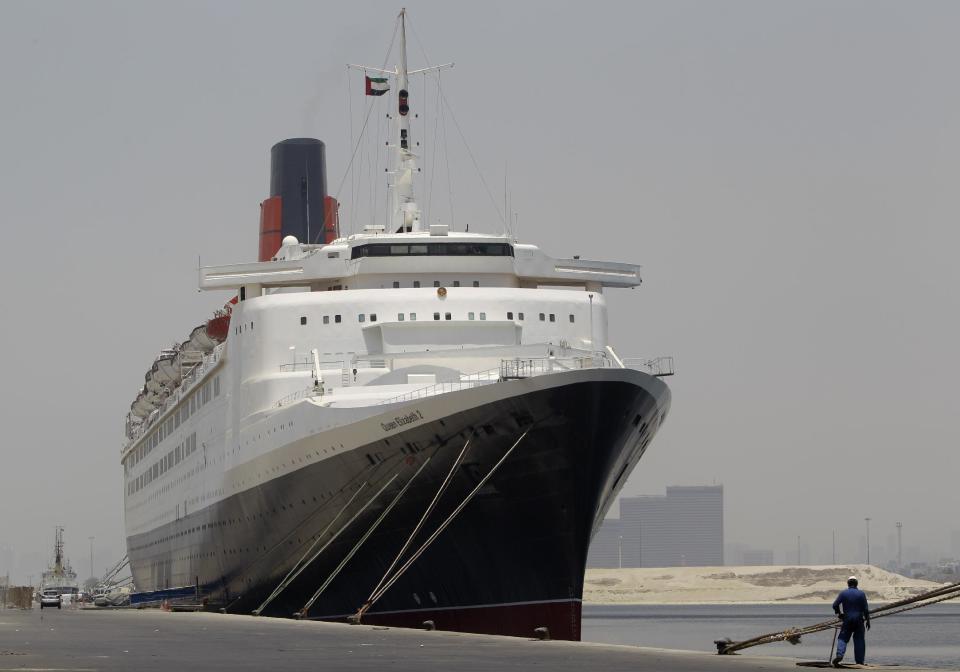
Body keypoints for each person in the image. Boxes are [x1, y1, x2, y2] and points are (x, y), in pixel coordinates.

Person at [832, 575, 870, 667]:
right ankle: (859, 661)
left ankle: (839, 655)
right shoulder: (861, 594)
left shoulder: (843, 593)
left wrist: (839, 614)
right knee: (859, 640)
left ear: (848, 584)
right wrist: (868, 620)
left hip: (847, 619)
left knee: (843, 638)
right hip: (859, 619)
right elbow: (865, 609)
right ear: (856, 584)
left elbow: (835, 605)